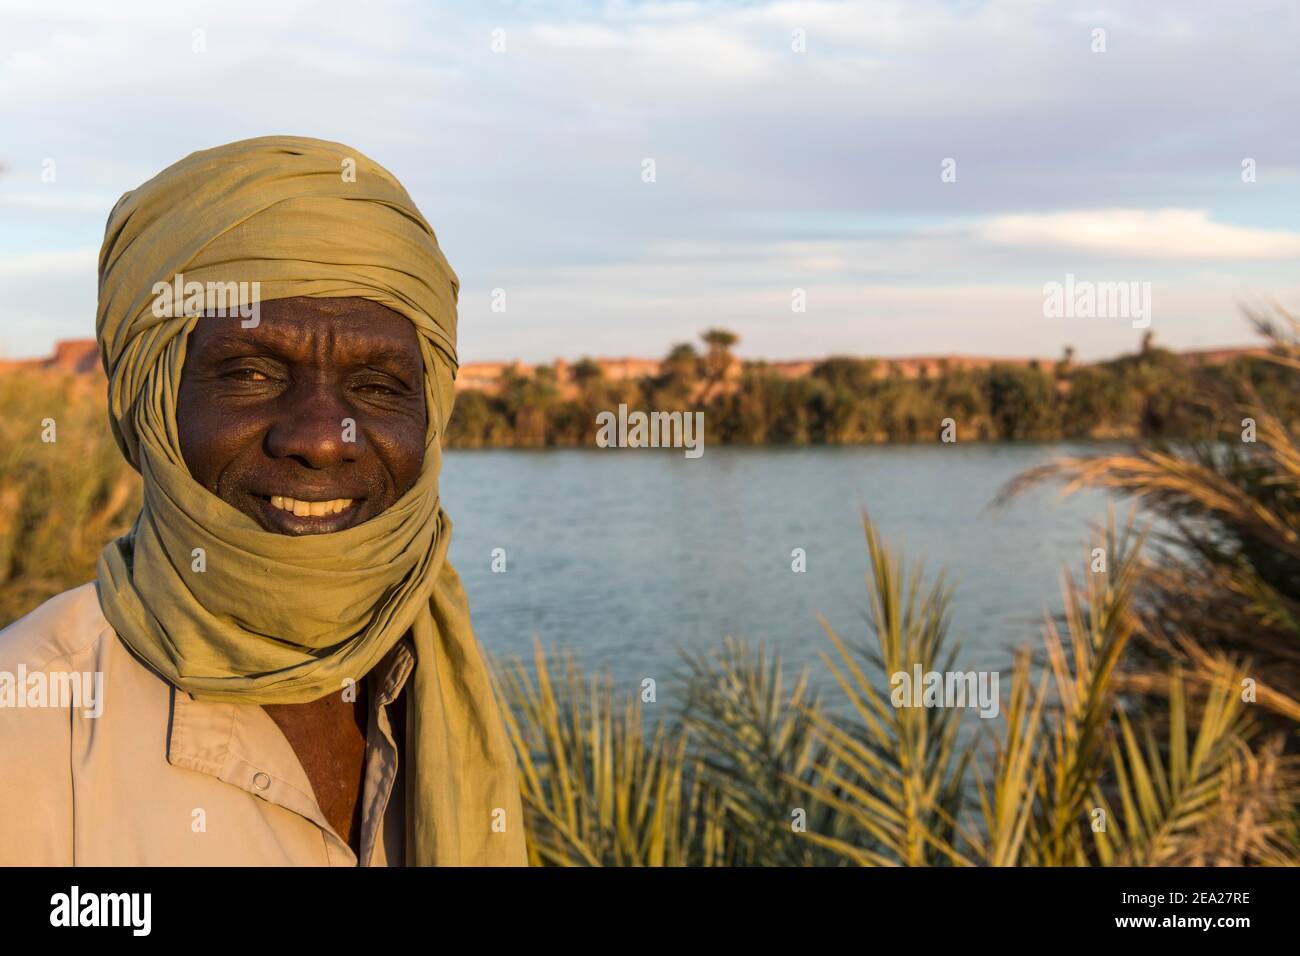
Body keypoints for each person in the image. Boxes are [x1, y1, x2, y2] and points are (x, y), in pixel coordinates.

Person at [0, 136, 527, 866]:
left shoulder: (431, 667)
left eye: (376, 386)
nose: (321, 438)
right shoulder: (26, 731)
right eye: (249, 373)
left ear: (430, 411)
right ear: (150, 404)